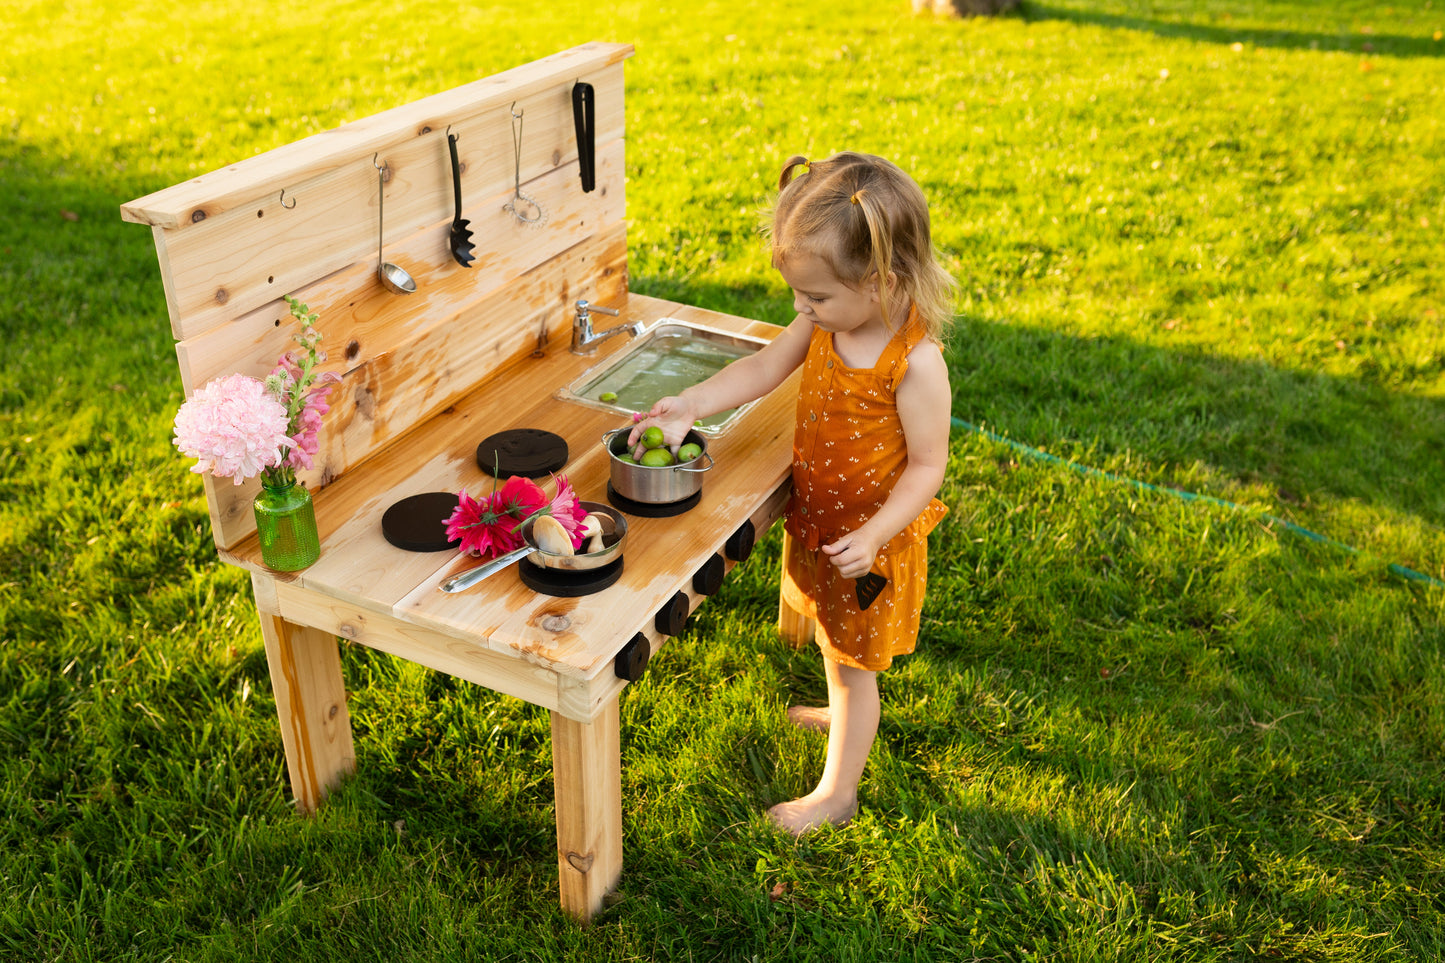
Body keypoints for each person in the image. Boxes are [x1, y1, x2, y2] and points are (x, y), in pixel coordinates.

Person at [628, 151, 956, 834]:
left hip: (869, 546)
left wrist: (872, 535)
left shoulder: (914, 363)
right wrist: (691, 402)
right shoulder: (827, 322)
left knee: (850, 664)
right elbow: (762, 367)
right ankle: (842, 713)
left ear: (882, 280)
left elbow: (927, 466)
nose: (800, 309)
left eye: (815, 296)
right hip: (822, 525)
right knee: (833, 643)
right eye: (800, 295)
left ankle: (837, 795)